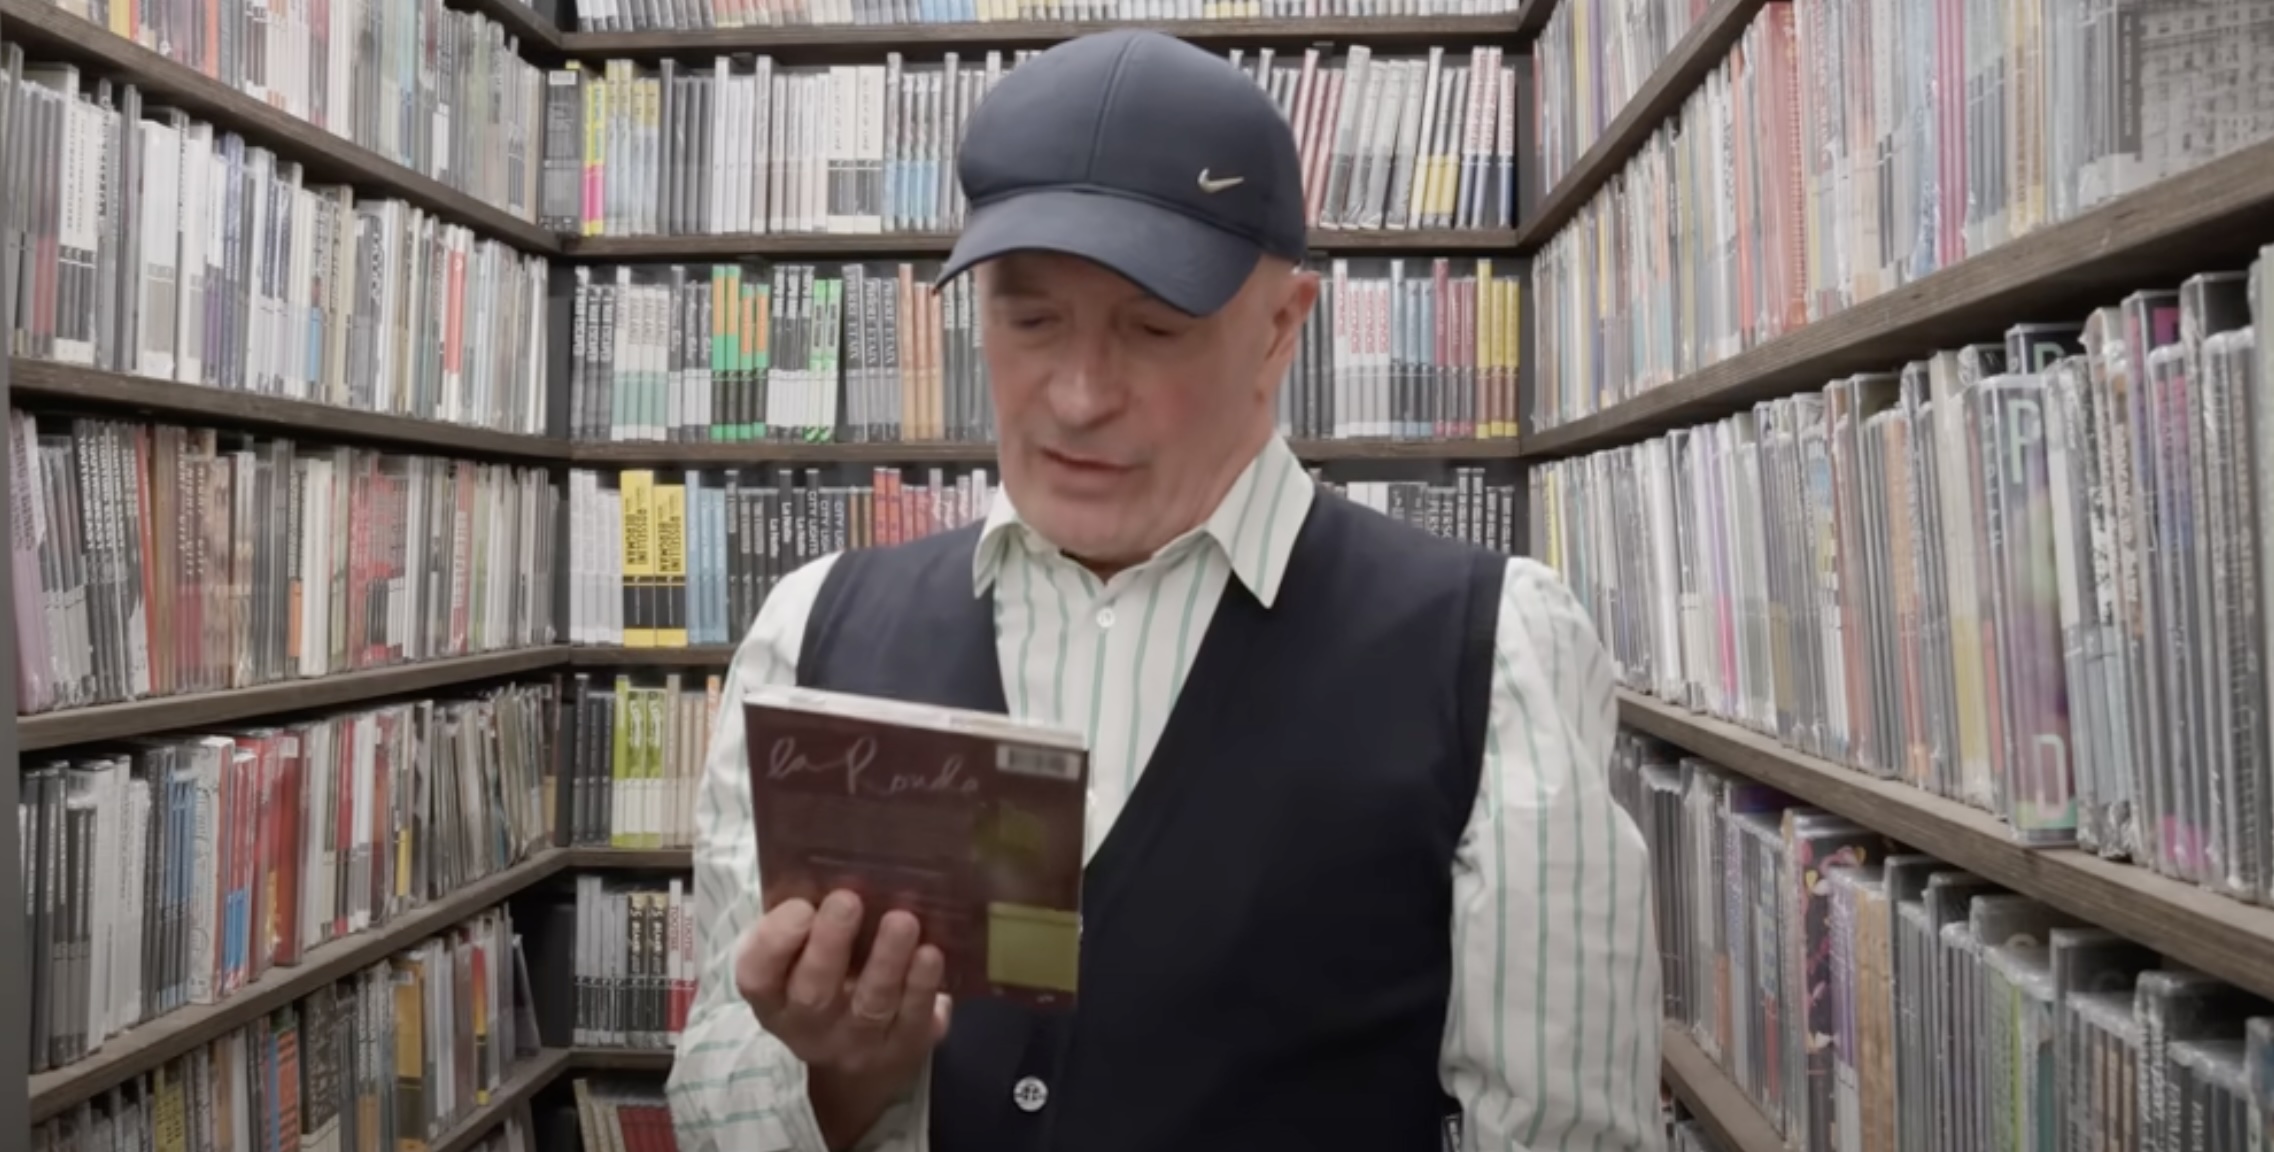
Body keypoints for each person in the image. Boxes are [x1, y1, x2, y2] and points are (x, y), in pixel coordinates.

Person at [666, 28, 1661, 1152]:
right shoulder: (812, 633)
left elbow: (1565, 1130)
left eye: (1154, 328)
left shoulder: (1490, 653)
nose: (1080, 396)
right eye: (1029, 318)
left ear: (1281, 329)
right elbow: (717, 1096)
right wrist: (842, 1083)